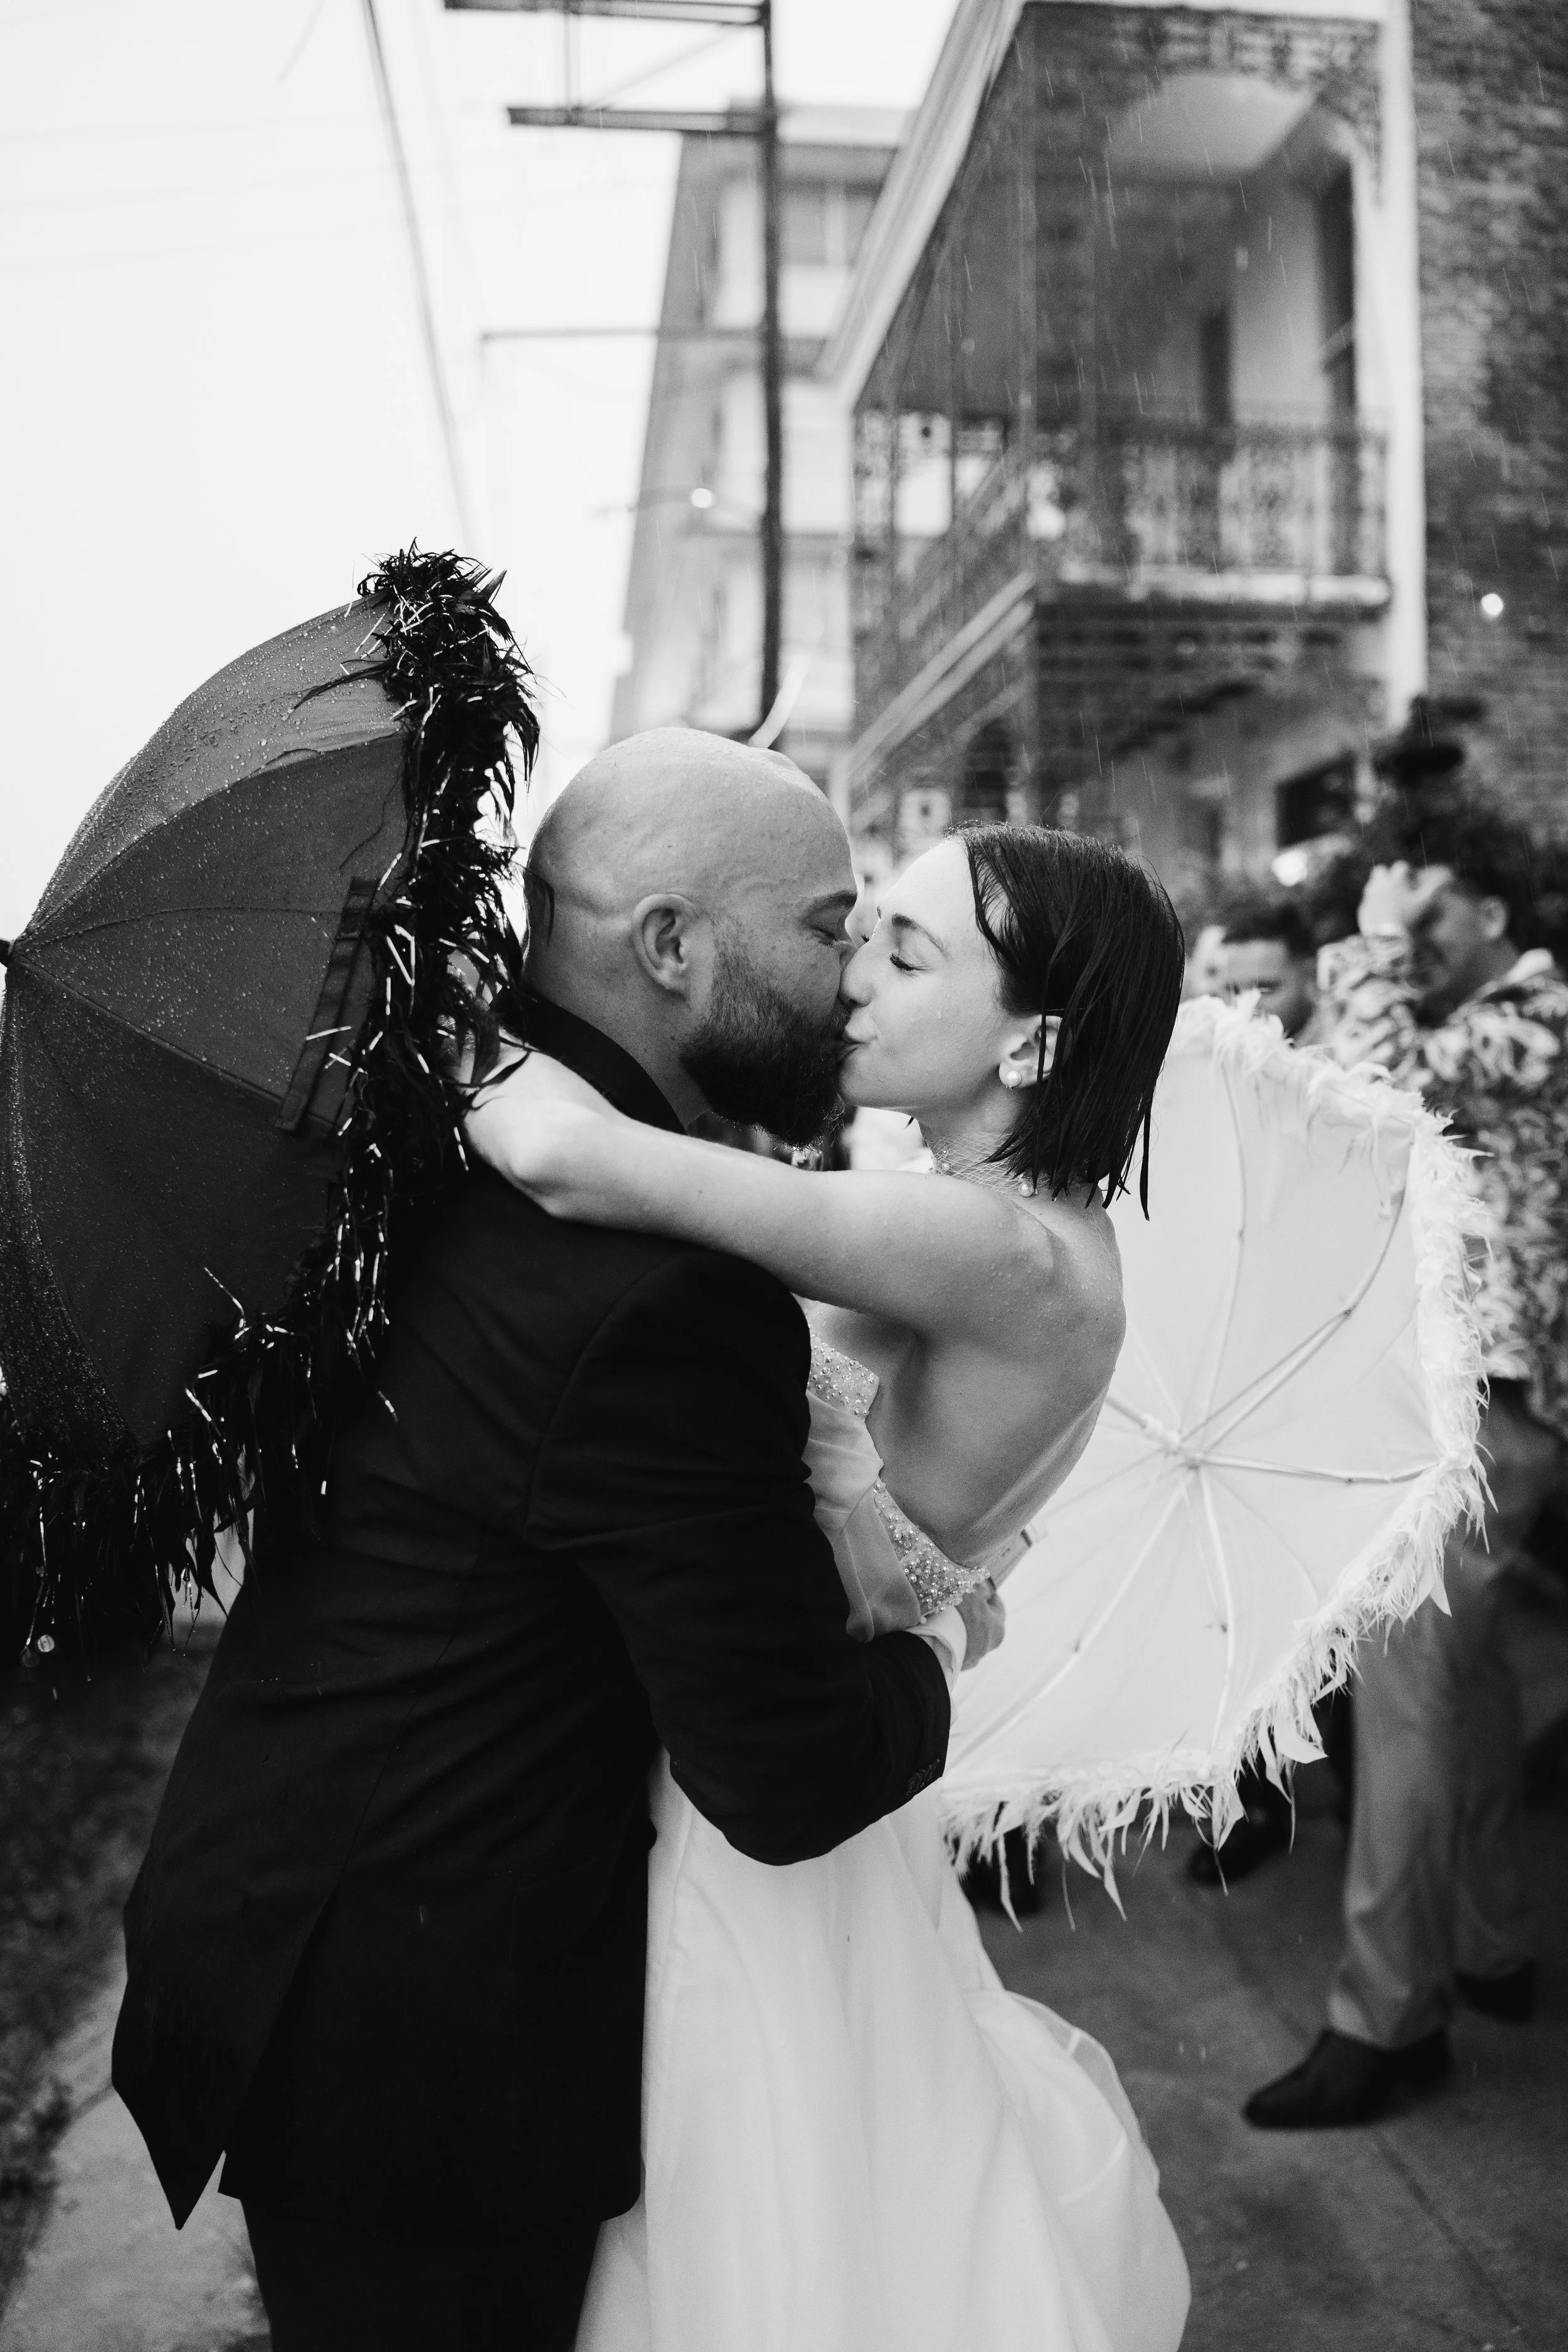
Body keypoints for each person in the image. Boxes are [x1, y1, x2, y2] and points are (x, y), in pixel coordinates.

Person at [113, 732, 972, 2352]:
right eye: (825, 920)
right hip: (425, 2038)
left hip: (286, 1919)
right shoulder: (662, 1291)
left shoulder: (424, 1120)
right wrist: (936, 1643)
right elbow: (784, 1768)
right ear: (668, 945)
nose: (852, 965)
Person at [467, 815, 1192, 2352]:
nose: (850, 973)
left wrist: (456, 1005)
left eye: (904, 949)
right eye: (860, 929)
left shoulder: (991, 1243)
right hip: (799, 1792)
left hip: (758, 1826)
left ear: (1037, 1037)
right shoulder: (1026, 1234)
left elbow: (564, 1155)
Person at [1245, 798, 1568, 2129]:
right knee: (1467, 1688)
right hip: (1459, 1391)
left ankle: (1384, 2019)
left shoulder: (1540, 1018)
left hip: (1482, 1407)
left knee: (1407, 1699)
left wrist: (1365, 940)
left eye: (1429, 914)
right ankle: (1488, 1945)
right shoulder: (1476, 1019)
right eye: (1397, 917)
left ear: (1494, 916)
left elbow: (1378, 1098)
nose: (1406, 938)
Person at [1219, 896, 1320, 1041]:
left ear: (1312, 976)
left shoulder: (1351, 1051)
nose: (1246, 1010)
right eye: (1234, 991)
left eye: (1265, 989)